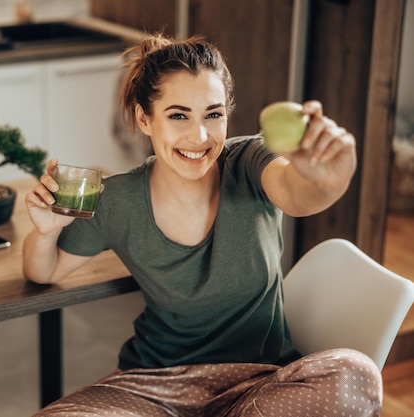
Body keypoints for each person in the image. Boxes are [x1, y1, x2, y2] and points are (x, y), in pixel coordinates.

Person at [23, 34, 382, 417]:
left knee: (355, 373)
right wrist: (46, 230)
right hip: (153, 387)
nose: (199, 136)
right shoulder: (116, 198)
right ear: (145, 118)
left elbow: (299, 194)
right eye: (178, 115)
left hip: (258, 386)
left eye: (213, 115)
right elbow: (45, 271)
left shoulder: (249, 162)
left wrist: (328, 176)